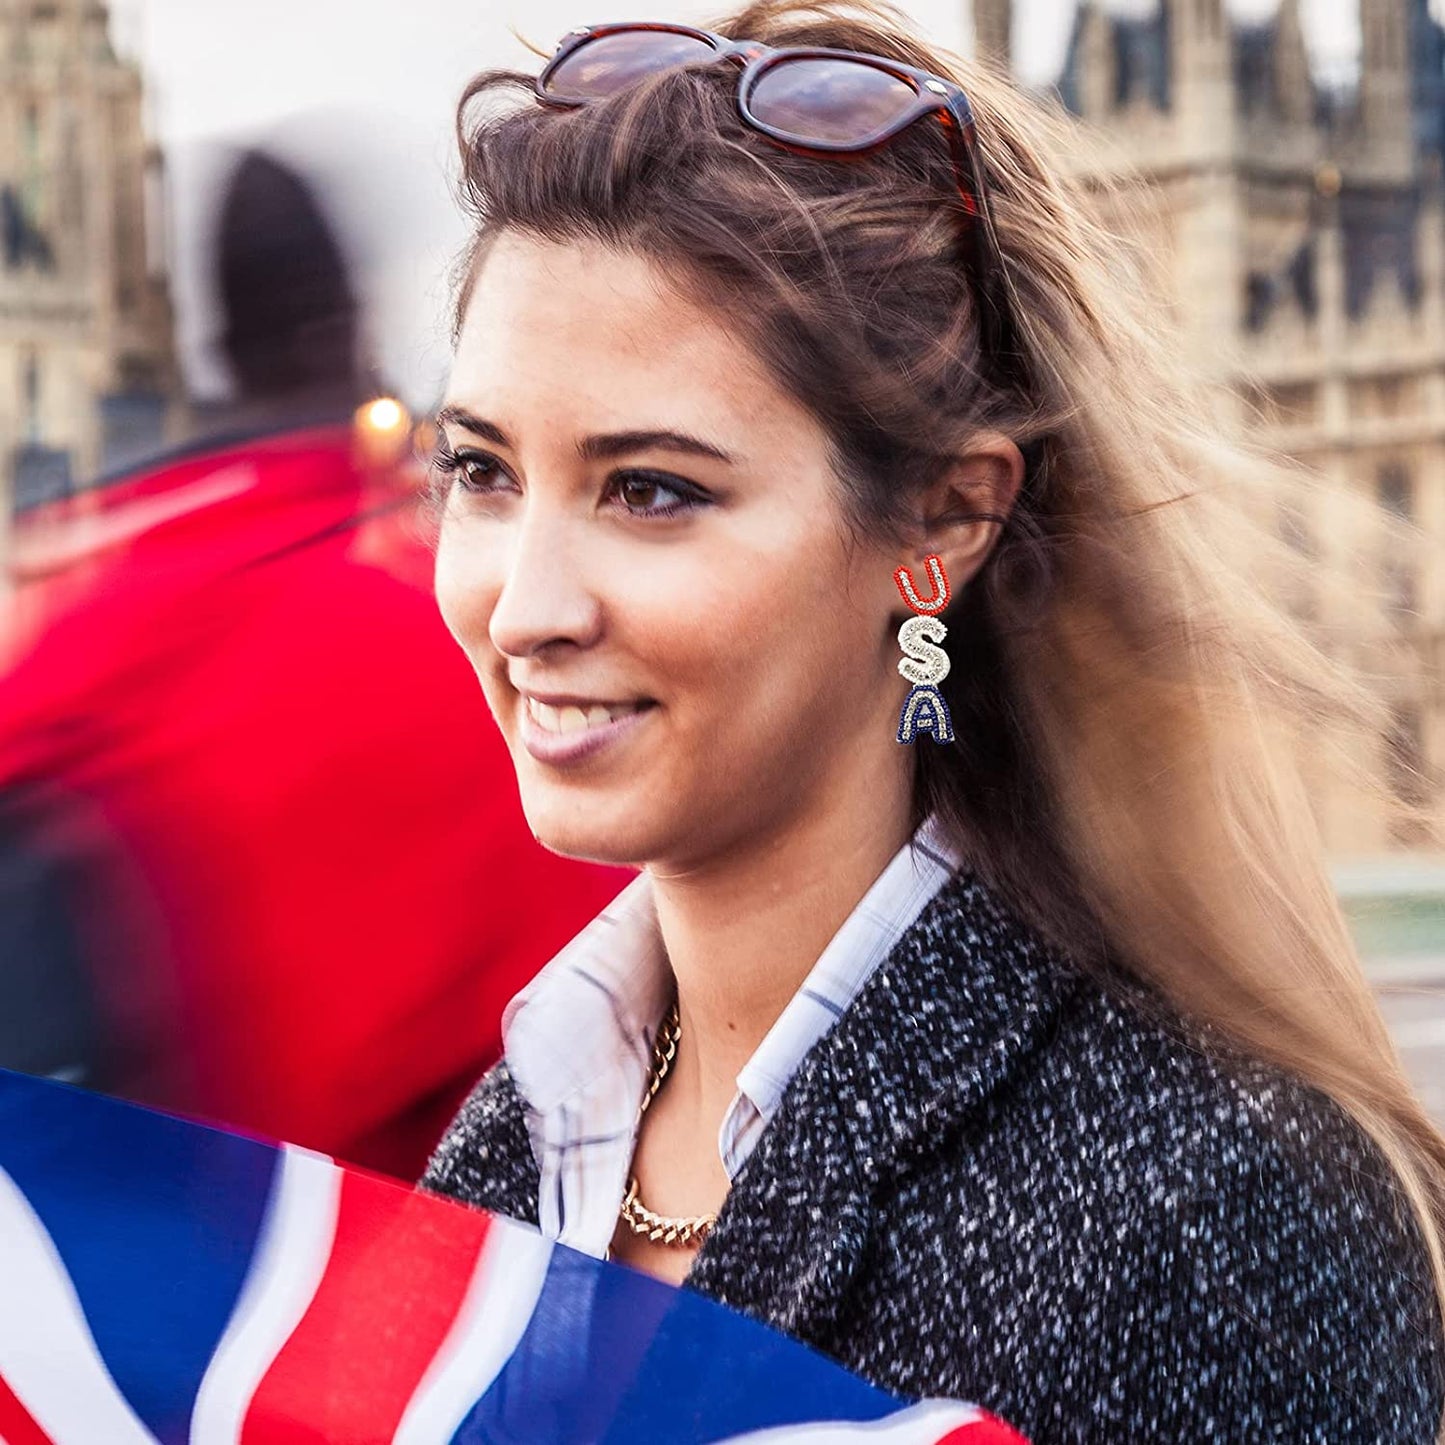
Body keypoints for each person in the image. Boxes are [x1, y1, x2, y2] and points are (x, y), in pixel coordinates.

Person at [420, 3, 1445, 1438]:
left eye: (650, 488)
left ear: (944, 521)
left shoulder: (1214, 1207)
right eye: (480, 470)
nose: (525, 605)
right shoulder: (507, 1147)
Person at [0, 150, 626, 1177]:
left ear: (216, 344)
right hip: (378, 1294)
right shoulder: (454, 649)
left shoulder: (82, 621)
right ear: (346, 326)